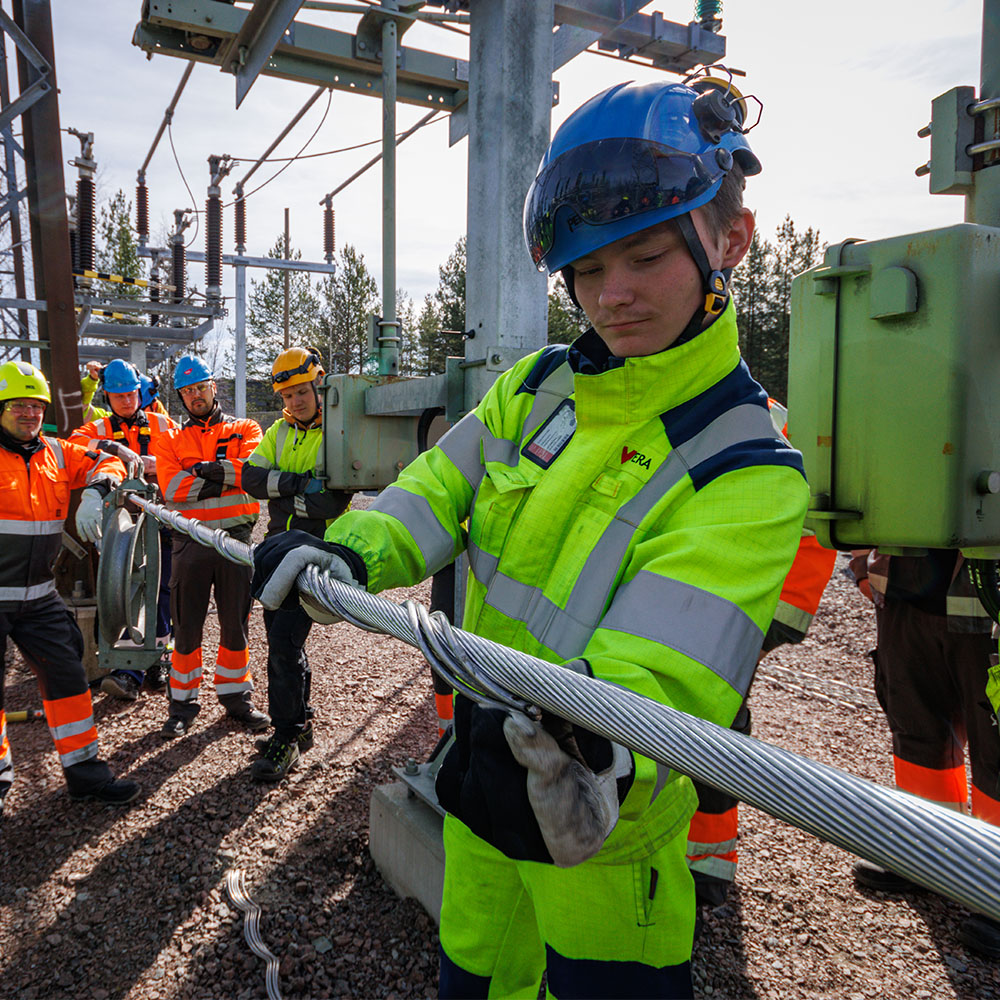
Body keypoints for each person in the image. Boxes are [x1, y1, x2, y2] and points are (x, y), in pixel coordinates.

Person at [252, 77, 809, 997]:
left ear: (731, 241)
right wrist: (350, 551)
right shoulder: (538, 387)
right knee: (471, 979)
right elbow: (439, 488)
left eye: (644, 256)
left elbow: (667, 666)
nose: (612, 295)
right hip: (481, 784)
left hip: (600, 821)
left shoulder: (744, 464)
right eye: (588, 270)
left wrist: (582, 746)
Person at [687, 400, 838, 907]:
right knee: (681, 717)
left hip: (737, 606)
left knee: (713, 722)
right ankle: (693, 855)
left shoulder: (762, 416)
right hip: (701, 600)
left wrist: (783, 611)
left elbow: (813, 517)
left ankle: (707, 861)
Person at [0, 360, 140, 815]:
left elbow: (108, 461)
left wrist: (98, 491)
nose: (30, 414)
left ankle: (84, 771)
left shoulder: (56, 453)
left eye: (37, 406)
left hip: (40, 595)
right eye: (19, 405)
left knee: (69, 676)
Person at [848, 547, 1000, 957]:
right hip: (905, 591)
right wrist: (865, 566)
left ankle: (996, 881)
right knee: (917, 729)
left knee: (998, 753)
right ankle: (930, 851)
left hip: (992, 601)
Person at [242, 347, 351, 781]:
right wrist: (296, 487)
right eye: (288, 395)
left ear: (319, 385)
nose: (295, 402)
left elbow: (331, 501)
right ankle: (301, 720)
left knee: (284, 644)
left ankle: (285, 737)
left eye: (302, 392)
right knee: (282, 641)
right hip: (275, 548)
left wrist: (280, 493)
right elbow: (251, 479)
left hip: (313, 553)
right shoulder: (279, 432)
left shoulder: (340, 432)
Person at [153, 356, 268, 738]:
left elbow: (253, 474)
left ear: (213, 386)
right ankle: (182, 705)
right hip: (190, 542)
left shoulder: (246, 427)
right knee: (186, 628)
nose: (194, 396)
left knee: (236, 624)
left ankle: (236, 698)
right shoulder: (170, 438)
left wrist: (203, 472)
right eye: (187, 391)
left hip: (236, 541)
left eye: (200, 387)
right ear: (181, 396)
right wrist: (225, 472)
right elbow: (174, 491)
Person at [70, 359, 177, 699]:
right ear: (107, 398)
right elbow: (73, 447)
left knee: (161, 592)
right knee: (125, 593)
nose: (127, 402)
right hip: (120, 527)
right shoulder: (99, 428)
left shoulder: (161, 423)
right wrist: (114, 447)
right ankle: (129, 668)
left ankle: (156, 659)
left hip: (158, 520)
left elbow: (184, 455)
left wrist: (157, 464)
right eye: (118, 397)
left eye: (130, 394)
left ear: (138, 391)